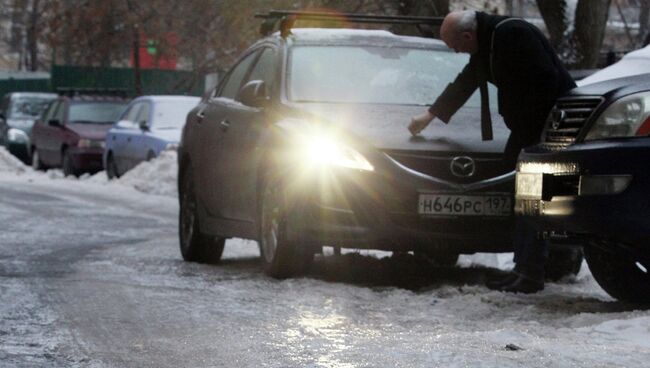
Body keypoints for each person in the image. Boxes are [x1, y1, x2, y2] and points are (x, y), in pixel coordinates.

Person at [408, 10, 576, 293]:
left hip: (550, 129)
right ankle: (524, 269)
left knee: (536, 198)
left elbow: (545, 80)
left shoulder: (512, 35)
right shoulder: (490, 42)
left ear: (467, 35)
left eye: (455, 46)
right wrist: (430, 115)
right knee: (522, 195)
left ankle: (532, 273)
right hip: (532, 129)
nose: (456, 51)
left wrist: (531, 132)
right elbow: (467, 81)